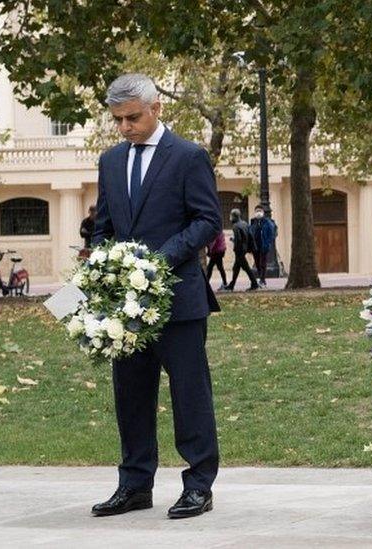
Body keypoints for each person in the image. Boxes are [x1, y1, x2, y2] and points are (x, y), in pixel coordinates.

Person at [90, 73, 222, 519]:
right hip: (124, 310)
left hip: (179, 302)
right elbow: (104, 227)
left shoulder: (188, 157)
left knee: (190, 396)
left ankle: (198, 485)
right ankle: (134, 485)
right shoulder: (110, 162)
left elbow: (207, 221)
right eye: (119, 120)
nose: (125, 127)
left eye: (133, 117)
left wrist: (158, 262)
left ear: (156, 107)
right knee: (129, 394)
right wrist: (100, 274)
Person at [227, 208, 259, 291]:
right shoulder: (245, 223)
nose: (230, 217)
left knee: (246, 268)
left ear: (234, 216)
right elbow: (250, 236)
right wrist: (252, 248)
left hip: (239, 250)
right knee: (236, 268)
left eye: (231, 216)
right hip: (244, 249)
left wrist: (235, 247)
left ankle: (254, 283)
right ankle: (232, 285)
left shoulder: (236, 226)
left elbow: (239, 240)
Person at [248, 204, 277, 286]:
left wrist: (268, 243)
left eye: (260, 211)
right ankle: (261, 278)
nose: (258, 213)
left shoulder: (267, 222)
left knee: (263, 263)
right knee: (257, 263)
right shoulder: (253, 222)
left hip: (263, 245)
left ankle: (262, 279)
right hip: (255, 246)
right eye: (257, 211)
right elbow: (250, 233)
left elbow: (271, 233)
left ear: (263, 212)